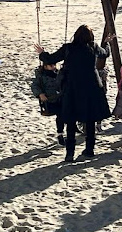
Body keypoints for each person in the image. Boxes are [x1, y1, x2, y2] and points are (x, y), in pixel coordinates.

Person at [36, 25, 115, 162]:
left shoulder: (68, 48)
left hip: (73, 88)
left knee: (71, 121)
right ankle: (89, 150)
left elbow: (51, 59)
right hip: (91, 88)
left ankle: (70, 153)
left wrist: (42, 53)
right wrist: (107, 42)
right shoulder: (93, 47)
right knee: (90, 119)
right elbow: (105, 53)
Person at [31, 60, 65, 145]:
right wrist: (40, 94)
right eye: (51, 65)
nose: (53, 66)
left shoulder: (58, 73)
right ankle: (60, 134)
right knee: (60, 114)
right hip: (49, 101)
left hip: (60, 98)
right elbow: (34, 86)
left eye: (54, 64)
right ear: (45, 66)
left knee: (66, 112)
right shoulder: (41, 75)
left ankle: (70, 128)